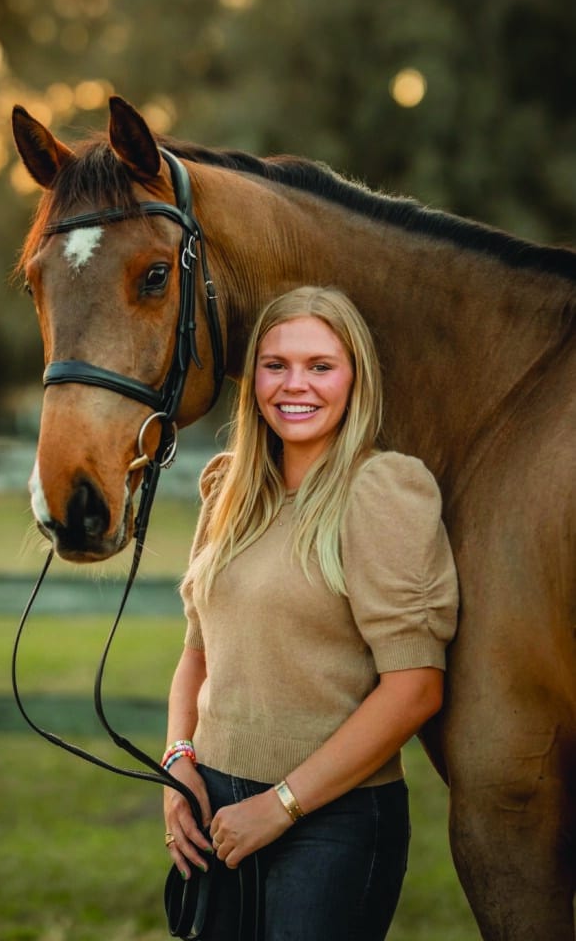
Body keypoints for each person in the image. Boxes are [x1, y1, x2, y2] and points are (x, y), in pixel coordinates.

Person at [161, 285, 459, 940]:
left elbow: (415, 687)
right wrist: (178, 761)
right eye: (276, 364)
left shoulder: (383, 493)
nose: (295, 385)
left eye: (320, 366)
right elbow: (198, 651)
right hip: (211, 807)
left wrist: (281, 806)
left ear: (355, 379)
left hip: (331, 822)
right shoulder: (228, 489)